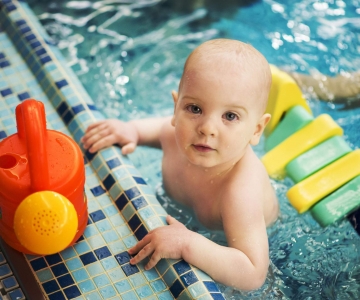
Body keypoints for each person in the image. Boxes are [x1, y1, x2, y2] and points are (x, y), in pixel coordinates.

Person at [81, 38, 279, 291]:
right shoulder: (175, 136)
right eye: (195, 108)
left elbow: (253, 275)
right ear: (176, 109)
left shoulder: (240, 191)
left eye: (230, 116)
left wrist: (188, 244)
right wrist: (131, 130)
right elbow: (157, 129)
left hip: (264, 240)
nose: (207, 128)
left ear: (256, 129)